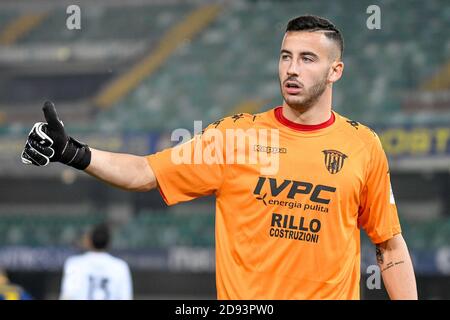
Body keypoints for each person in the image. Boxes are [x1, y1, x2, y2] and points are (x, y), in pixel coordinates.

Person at [21, 15, 417, 299]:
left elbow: (389, 246)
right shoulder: (235, 136)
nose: (291, 70)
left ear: (336, 71)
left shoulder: (363, 146)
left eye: (307, 59)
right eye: (285, 56)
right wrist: (74, 153)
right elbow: (146, 171)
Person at [59, 223, 133, 300]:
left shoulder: (74, 264)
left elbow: (67, 296)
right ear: (109, 243)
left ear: (89, 241)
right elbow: (125, 297)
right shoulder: (120, 266)